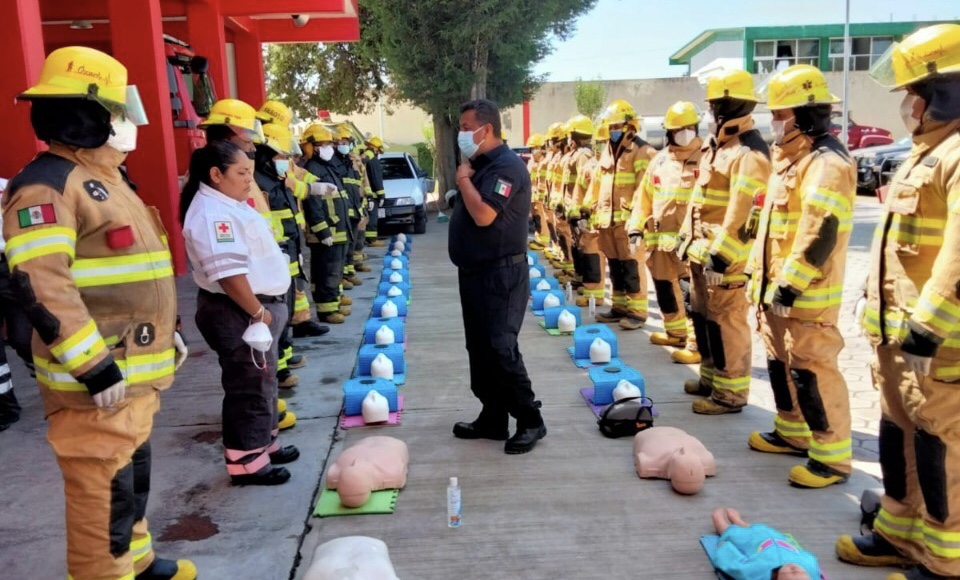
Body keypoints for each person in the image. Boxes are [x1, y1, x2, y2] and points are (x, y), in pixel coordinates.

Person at [3, 46, 195, 580]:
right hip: (98, 376)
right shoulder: (46, 185)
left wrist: (169, 330)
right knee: (101, 489)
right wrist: (91, 365)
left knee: (130, 473)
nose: (128, 122)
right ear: (88, 116)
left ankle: (137, 561)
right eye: (118, 110)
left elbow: (139, 270)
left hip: (129, 369)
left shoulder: (106, 178)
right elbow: (40, 280)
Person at [835, 23, 960, 580]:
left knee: (940, 448)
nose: (907, 105)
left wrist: (928, 328)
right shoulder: (923, 154)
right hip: (897, 338)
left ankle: (943, 561)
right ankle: (898, 532)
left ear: (944, 91)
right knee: (897, 431)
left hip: (937, 345)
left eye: (914, 92)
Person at [747, 65, 856, 489]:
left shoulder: (827, 164)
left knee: (811, 369)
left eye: (780, 113)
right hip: (776, 291)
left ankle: (831, 458)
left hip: (806, 294)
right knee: (781, 362)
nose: (774, 121)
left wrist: (790, 283)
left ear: (804, 116)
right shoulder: (793, 161)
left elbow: (820, 230)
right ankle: (792, 431)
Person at [181, 140, 298, 486]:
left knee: (264, 380)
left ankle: (265, 444)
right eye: (242, 172)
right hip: (240, 311)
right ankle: (247, 462)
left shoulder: (229, 203)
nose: (250, 178)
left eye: (250, 171)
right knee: (248, 385)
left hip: (254, 308)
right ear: (216, 175)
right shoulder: (213, 213)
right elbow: (229, 275)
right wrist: (259, 312)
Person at [449, 99, 546, 455]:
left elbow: (485, 215)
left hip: (501, 274)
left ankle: (530, 419)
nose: (460, 134)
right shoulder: (481, 165)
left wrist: (462, 181)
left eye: (464, 127)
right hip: (475, 272)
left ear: (485, 129)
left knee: (500, 348)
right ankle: (493, 416)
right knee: (479, 348)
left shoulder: (506, 167)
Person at [679, 69, 772, 415]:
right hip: (704, 255)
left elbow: (745, 213)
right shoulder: (719, 147)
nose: (708, 114)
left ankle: (730, 394)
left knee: (726, 325)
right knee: (704, 320)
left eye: (713, 106)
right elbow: (699, 200)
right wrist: (686, 239)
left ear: (725, 107)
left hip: (726, 261)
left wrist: (723, 258)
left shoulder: (748, 153)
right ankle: (710, 378)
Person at [628, 102, 703, 347]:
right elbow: (643, 199)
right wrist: (636, 229)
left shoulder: (706, 159)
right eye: (679, 128)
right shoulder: (659, 162)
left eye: (690, 127)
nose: (685, 132)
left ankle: (696, 343)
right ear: (669, 132)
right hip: (659, 243)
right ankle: (676, 334)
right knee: (664, 291)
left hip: (687, 247)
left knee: (690, 295)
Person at [255, 99, 331, 339]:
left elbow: (296, 179)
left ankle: (299, 322)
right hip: (274, 240)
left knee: (295, 281)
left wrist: (315, 188)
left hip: (290, 234)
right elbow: (289, 184)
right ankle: (287, 335)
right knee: (281, 290)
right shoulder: (257, 167)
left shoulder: (275, 159)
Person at [583, 100, 656, 328]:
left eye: (617, 126)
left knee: (632, 267)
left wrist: (638, 223)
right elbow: (596, 185)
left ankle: (637, 312)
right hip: (607, 221)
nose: (613, 131)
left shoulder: (643, 152)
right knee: (615, 266)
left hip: (628, 223)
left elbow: (645, 191)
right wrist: (586, 210)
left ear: (629, 126)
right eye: (611, 127)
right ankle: (619, 307)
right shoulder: (607, 152)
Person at [302, 124, 352, 324]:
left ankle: (335, 302)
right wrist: (322, 231)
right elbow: (313, 204)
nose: (329, 148)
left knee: (335, 270)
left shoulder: (326, 167)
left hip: (338, 229)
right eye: (324, 144)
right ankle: (327, 310)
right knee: (326, 272)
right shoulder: (312, 169)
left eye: (330, 144)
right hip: (327, 232)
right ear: (312, 147)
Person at [708, 508, 819, 580]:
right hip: (779, 540)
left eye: (791, 576)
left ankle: (721, 524)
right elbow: (809, 556)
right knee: (763, 530)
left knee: (735, 535)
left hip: (755, 545)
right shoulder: (811, 569)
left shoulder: (757, 573)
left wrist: (724, 547)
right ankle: (739, 522)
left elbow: (733, 565)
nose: (794, 570)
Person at [574, 120, 608, 308]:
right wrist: (578, 214)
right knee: (590, 256)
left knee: (624, 266)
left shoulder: (617, 166)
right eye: (601, 142)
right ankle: (594, 294)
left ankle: (630, 306)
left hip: (613, 222)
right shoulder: (592, 166)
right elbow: (581, 192)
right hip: (592, 221)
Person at [525, 133, 548, 250]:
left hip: (541, 197)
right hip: (533, 196)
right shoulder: (531, 162)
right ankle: (538, 238)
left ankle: (544, 241)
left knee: (541, 219)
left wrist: (541, 196)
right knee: (536, 219)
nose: (533, 151)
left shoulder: (545, 162)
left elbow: (543, 181)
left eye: (535, 148)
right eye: (532, 148)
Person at [363, 136, 387, 247]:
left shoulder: (365, 158)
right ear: (376, 149)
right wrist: (381, 195)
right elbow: (376, 179)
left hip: (364, 194)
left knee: (365, 217)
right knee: (372, 217)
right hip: (372, 195)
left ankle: (367, 238)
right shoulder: (373, 161)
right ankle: (372, 239)